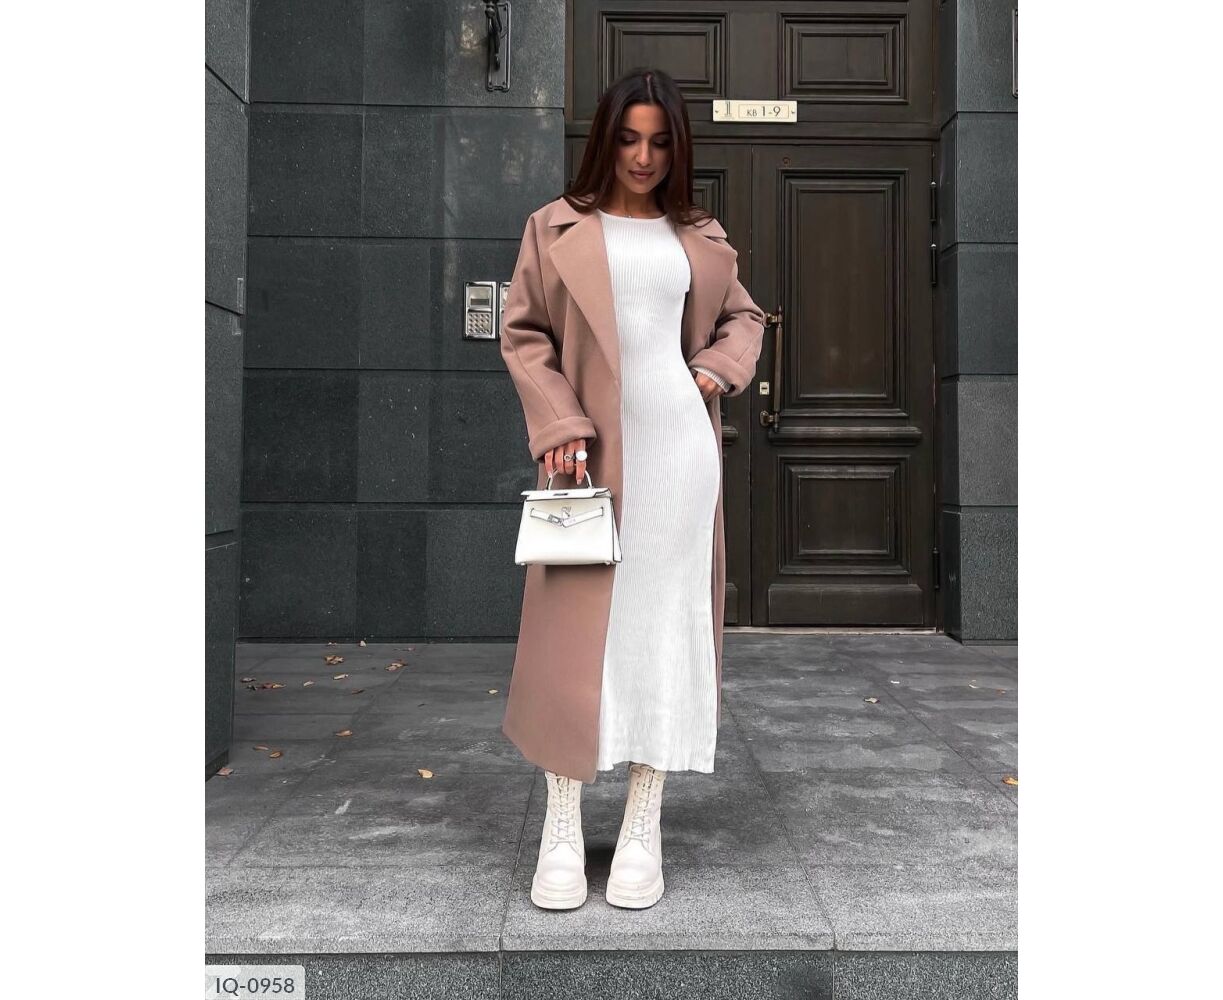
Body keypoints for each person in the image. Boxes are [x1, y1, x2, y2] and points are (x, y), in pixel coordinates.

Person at [499, 67, 766, 911]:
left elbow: (745, 317)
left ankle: (643, 824)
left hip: (678, 454)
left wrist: (715, 370)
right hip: (586, 457)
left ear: (676, 147)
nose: (642, 157)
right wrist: (559, 421)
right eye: (627, 139)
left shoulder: (700, 235)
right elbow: (524, 335)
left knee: (662, 629)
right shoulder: (555, 226)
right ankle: (561, 822)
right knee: (571, 637)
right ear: (603, 140)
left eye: (658, 142)